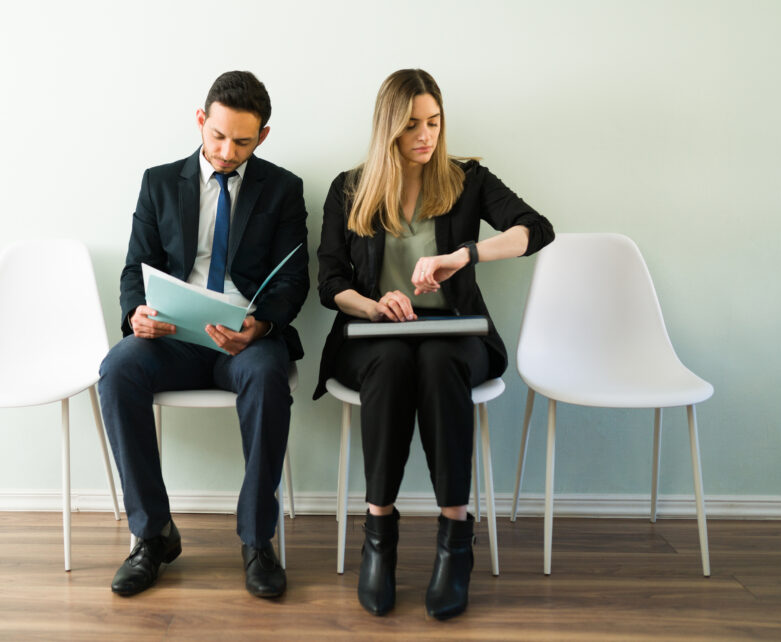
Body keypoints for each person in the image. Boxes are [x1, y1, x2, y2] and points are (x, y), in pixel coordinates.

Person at [314, 69, 554, 619]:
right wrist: (374, 305)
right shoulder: (348, 188)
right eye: (412, 125)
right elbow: (331, 282)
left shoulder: (467, 180)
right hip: (374, 335)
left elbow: (535, 229)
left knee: (440, 357)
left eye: (434, 122)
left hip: (456, 333)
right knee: (395, 358)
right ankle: (379, 534)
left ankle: (454, 537)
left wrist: (465, 255)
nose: (426, 135)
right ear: (388, 129)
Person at [98, 71, 309, 599]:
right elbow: (133, 269)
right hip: (170, 336)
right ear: (201, 120)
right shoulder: (159, 182)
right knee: (117, 368)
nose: (226, 151)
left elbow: (293, 278)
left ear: (262, 136)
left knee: (267, 377)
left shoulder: (283, 189)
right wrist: (135, 315)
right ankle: (152, 535)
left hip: (244, 341)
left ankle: (258, 540)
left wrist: (260, 325)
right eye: (218, 136)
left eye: (242, 141)